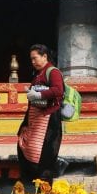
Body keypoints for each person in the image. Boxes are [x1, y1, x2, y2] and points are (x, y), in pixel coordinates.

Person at [17, 43, 64, 185]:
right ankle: (32, 182)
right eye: (31, 59)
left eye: (35, 58)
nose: (33, 62)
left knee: (45, 153)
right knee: (25, 144)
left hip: (48, 119)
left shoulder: (53, 72)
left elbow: (58, 91)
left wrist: (38, 94)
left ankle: (45, 186)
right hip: (35, 118)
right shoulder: (38, 74)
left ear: (45, 56)